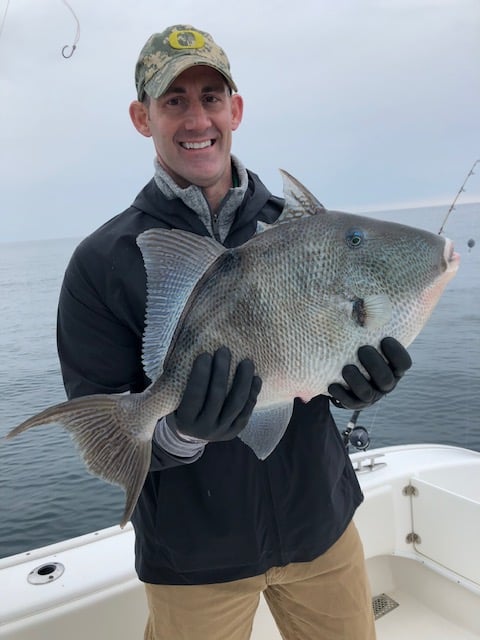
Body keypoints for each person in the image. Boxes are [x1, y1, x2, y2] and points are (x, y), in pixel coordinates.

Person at [57, 25, 412, 640]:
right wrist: (180, 431)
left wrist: (355, 383)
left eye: (211, 97)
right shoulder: (103, 261)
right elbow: (117, 441)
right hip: (194, 560)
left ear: (236, 109)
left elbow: (310, 365)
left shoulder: (302, 234)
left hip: (319, 527)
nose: (198, 118)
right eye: (174, 101)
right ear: (143, 118)